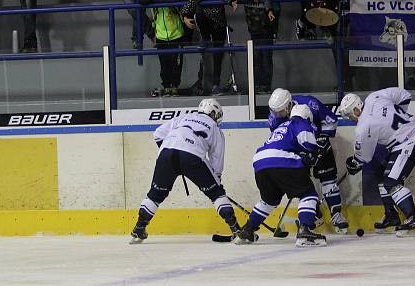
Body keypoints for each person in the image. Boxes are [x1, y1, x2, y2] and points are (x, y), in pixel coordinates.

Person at [130, 99, 240, 243]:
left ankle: (139, 229)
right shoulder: (214, 127)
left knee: (155, 194)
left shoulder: (183, 117)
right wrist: (216, 181)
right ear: (213, 113)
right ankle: (237, 231)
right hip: (192, 155)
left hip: (166, 153)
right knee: (216, 194)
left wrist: (173, 156)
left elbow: (158, 134)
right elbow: (216, 158)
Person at [338, 88, 415, 236]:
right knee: (381, 173)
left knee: (392, 182)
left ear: (355, 110)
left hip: (410, 143)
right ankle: (391, 215)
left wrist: (353, 163)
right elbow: (405, 95)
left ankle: (413, 218)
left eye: (349, 116)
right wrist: (398, 119)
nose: (350, 119)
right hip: (411, 135)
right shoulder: (375, 97)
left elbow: (363, 158)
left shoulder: (364, 127)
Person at [234, 104, 327, 247]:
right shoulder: (300, 122)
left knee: (268, 201)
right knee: (308, 194)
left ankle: (247, 231)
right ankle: (305, 231)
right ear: (307, 116)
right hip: (282, 160)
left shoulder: (281, 126)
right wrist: (313, 154)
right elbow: (308, 144)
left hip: (260, 163)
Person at [267, 88, 348, 232]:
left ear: (288, 105)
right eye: (275, 111)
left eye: (280, 111)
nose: (277, 114)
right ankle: (312, 216)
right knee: (301, 184)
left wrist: (323, 138)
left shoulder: (310, 103)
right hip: (298, 149)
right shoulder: (274, 117)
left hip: (318, 143)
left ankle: (336, 214)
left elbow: (330, 120)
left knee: (328, 179)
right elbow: (280, 138)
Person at [180, 0, 238, 95]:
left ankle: (215, 85)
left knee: (218, 56)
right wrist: (184, 18)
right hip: (206, 28)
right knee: (199, 16)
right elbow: (186, 8)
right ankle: (205, 40)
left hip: (219, 27)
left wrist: (231, 2)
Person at [234, 0, 276, 93]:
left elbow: (267, 1)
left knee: (266, 60)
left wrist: (269, 11)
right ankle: (257, 85)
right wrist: (233, 1)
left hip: (266, 33)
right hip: (254, 34)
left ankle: (266, 85)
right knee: (256, 61)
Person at [144, 0, 185, 96]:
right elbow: (141, 0)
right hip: (161, 37)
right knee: (164, 64)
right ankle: (166, 86)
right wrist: (155, 0)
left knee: (176, 64)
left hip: (176, 36)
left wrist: (163, 0)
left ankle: (175, 86)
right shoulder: (152, 0)